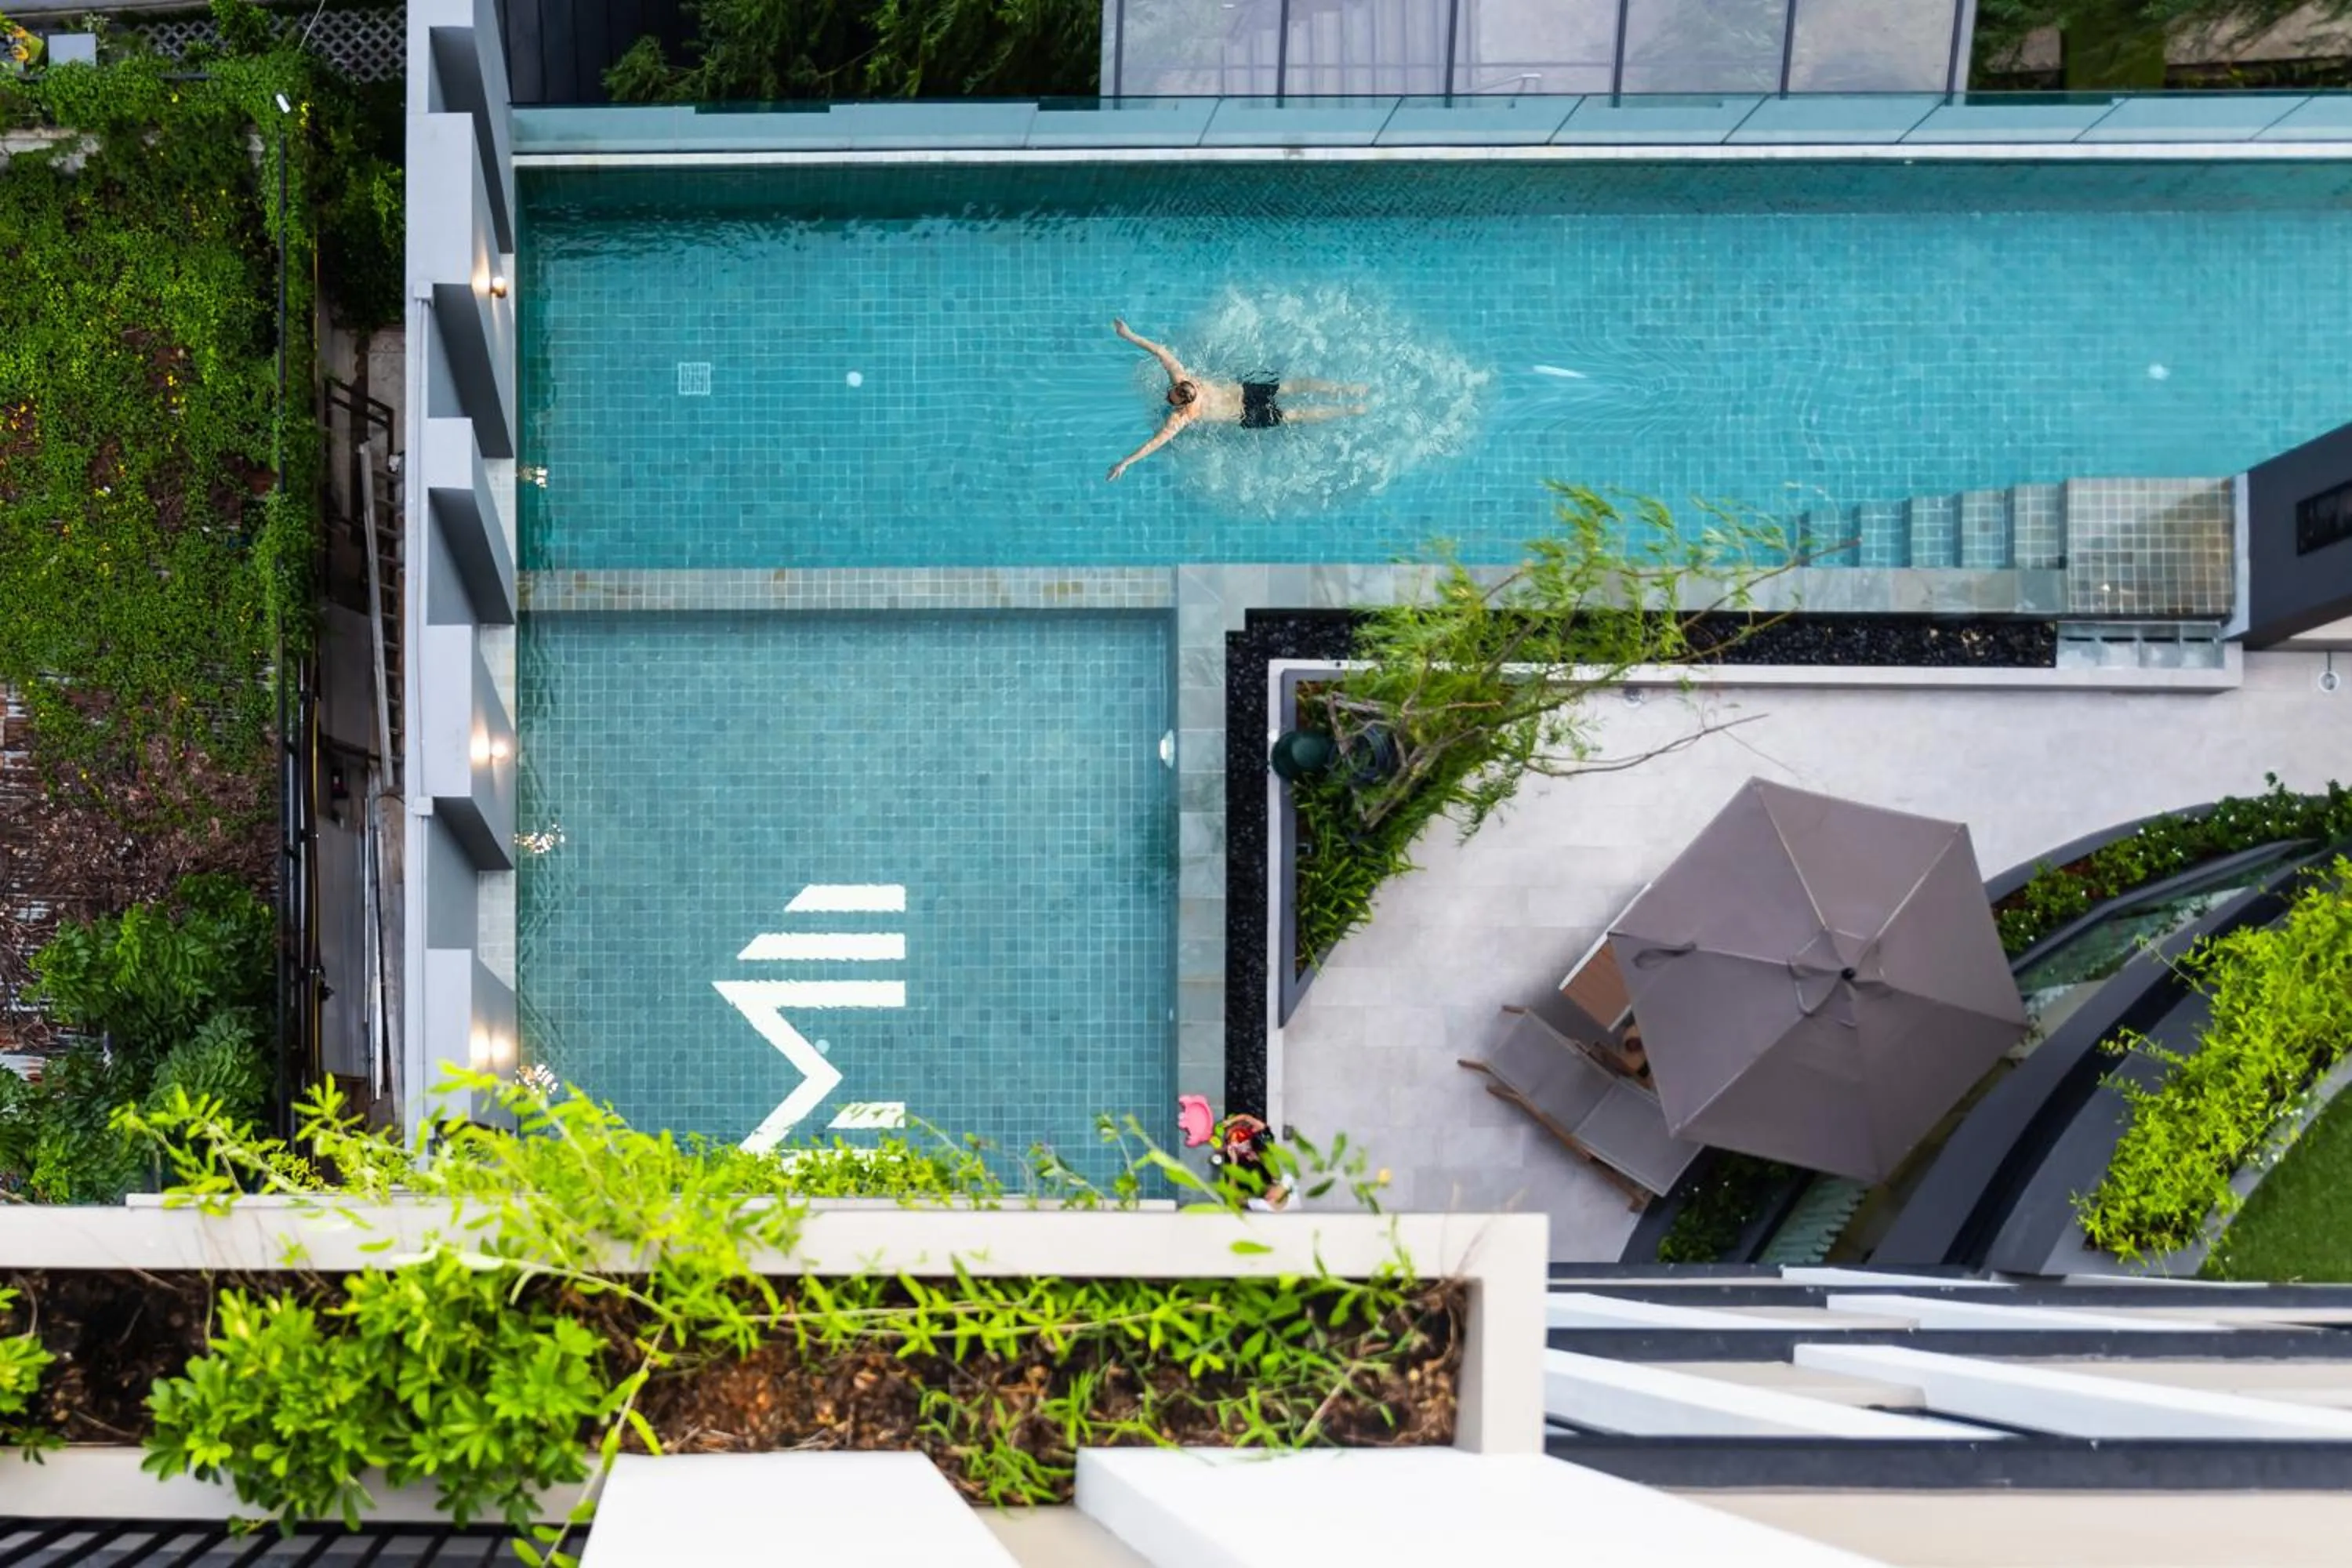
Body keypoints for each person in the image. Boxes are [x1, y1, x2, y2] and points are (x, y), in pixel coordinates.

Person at [1106, 319, 1366, 482]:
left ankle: (1350, 408)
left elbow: (1155, 443)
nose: (1167, 395)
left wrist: (1126, 462)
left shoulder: (1183, 417)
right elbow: (1161, 351)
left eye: (1171, 398)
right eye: (1170, 393)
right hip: (1245, 392)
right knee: (1292, 388)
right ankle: (1349, 391)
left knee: (1294, 414)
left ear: (1184, 401)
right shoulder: (1185, 379)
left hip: (1246, 416)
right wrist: (1129, 335)